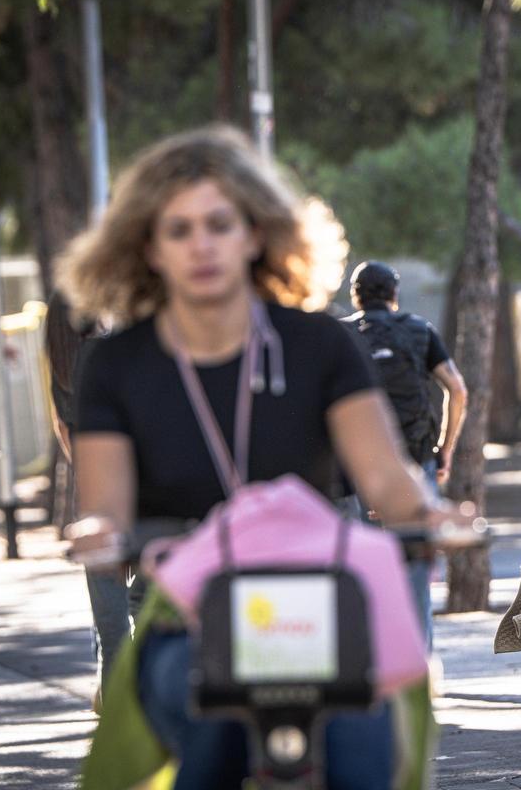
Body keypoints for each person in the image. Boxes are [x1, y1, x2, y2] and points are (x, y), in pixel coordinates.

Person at [58, 125, 473, 789]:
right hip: (191, 606)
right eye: (179, 229)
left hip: (319, 602)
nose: (201, 245)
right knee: (209, 730)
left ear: (255, 234)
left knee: (365, 743)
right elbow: (104, 504)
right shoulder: (115, 363)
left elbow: (387, 482)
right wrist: (100, 535)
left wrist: (433, 515)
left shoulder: (320, 345)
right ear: (148, 247)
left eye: (219, 224)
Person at [342, 260, 467, 647]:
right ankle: (420, 668)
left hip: (358, 467)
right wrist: (444, 450)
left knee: (362, 568)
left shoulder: (342, 336)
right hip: (416, 459)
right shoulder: (418, 331)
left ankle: (372, 667)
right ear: (394, 295)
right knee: (414, 568)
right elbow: (457, 390)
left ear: (356, 295)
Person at [43, 292, 130, 710]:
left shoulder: (60, 371)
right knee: (149, 598)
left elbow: (67, 438)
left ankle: (113, 696)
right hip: (138, 485)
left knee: (108, 609)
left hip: (93, 493)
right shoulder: (113, 353)